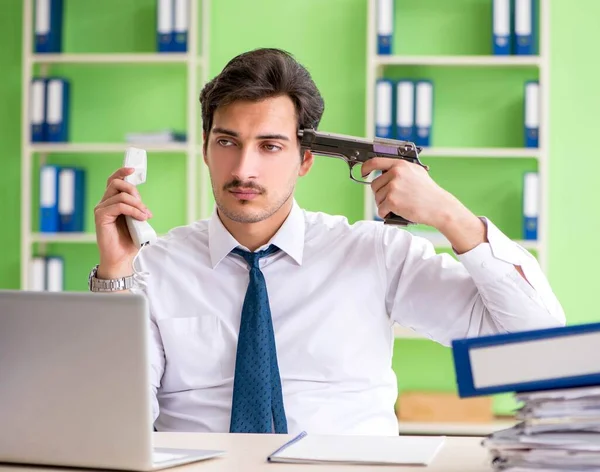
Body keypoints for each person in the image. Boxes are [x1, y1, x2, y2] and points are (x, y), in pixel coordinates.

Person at [89, 48, 565, 436]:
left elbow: (537, 350)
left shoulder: (375, 255)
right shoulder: (153, 265)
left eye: (270, 146)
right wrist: (115, 278)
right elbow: (106, 425)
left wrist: (447, 215)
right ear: (205, 149)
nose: (243, 170)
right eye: (227, 142)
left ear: (305, 159)